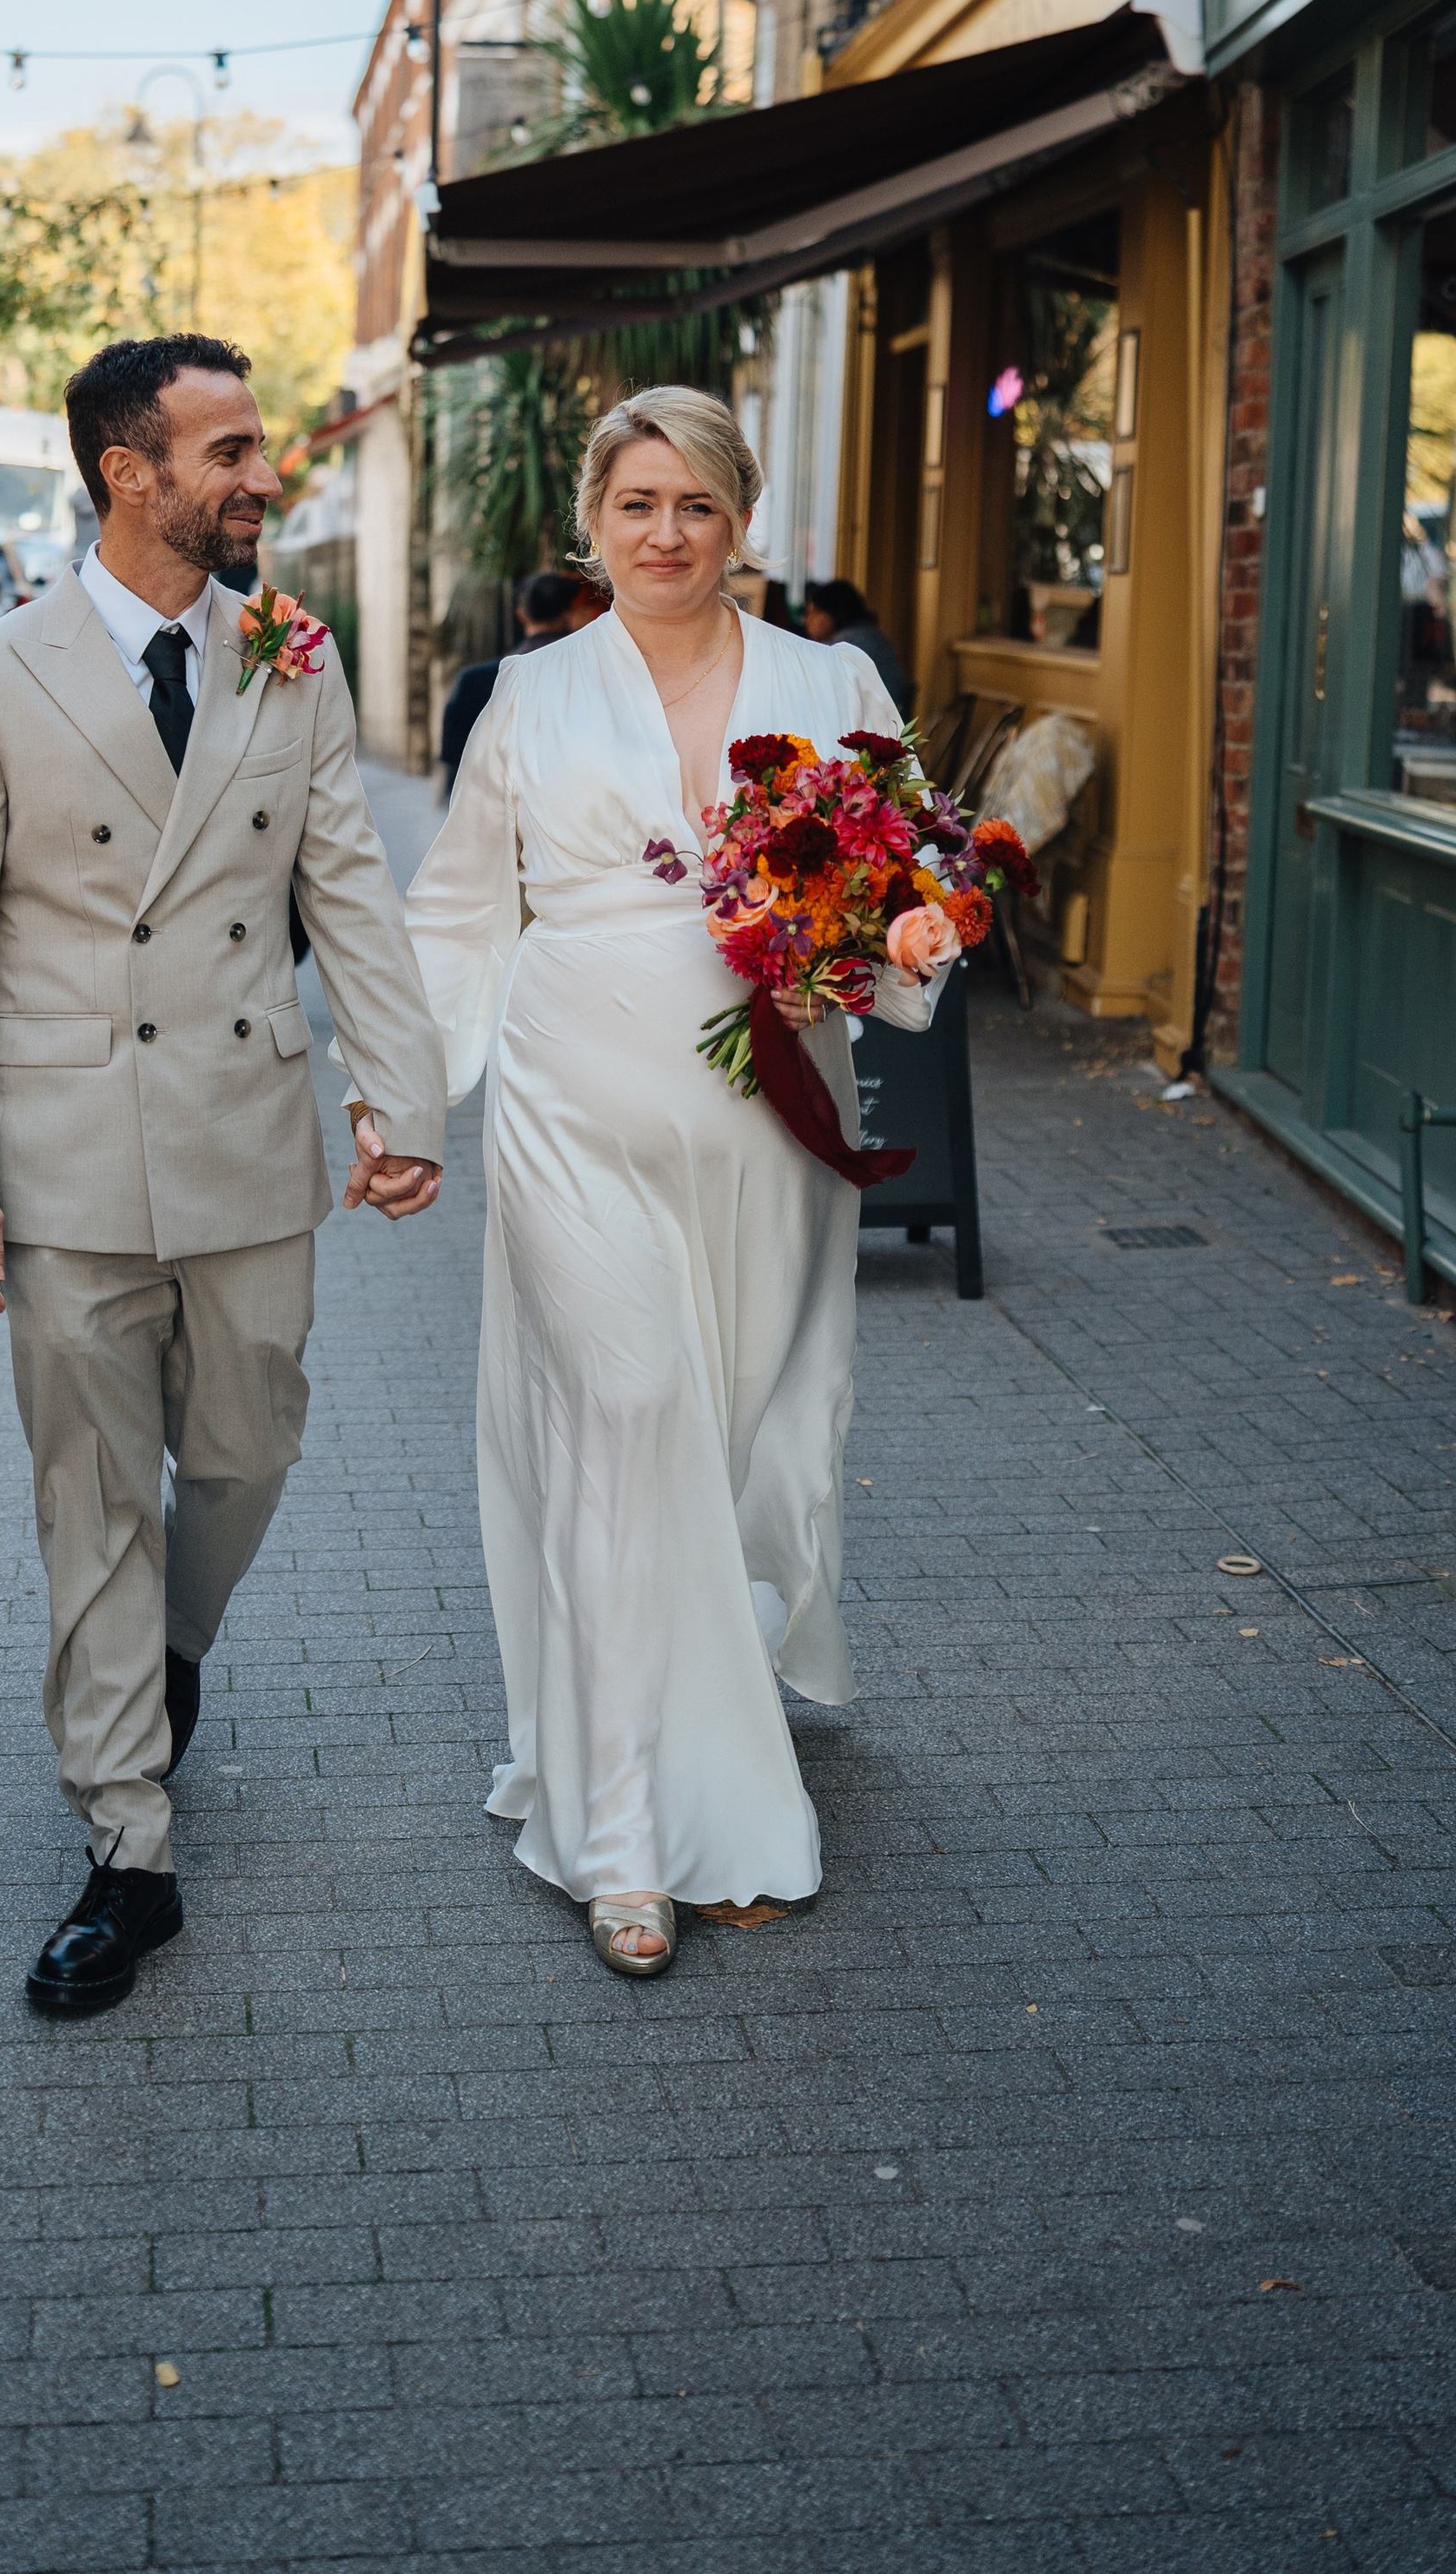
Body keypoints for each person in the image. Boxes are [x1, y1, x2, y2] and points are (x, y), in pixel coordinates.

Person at [0, 334, 447, 2017]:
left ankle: (168, 1660)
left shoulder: (287, 653)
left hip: (247, 1134)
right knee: (94, 1499)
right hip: (62, 1159)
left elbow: (344, 885)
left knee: (248, 1444)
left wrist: (400, 1096)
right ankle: (125, 1846)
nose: (258, 474)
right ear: (129, 473)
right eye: (227, 450)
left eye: (255, 447)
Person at [403, 388, 950, 1978]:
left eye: (695, 505)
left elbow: (913, 888)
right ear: (596, 518)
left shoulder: (829, 680)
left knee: (715, 1448)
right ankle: (627, 1833)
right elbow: (456, 912)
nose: (664, 534)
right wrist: (406, 1101)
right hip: (573, 1112)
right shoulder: (530, 692)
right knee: (628, 1417)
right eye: (637, 503)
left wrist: (899, 940)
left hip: (771, 1124)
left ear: (739, 517)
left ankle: (677, 1737)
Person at [440, 572, 580, 790]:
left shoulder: (476, 680)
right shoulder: (586, 673)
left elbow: (454, 754)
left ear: (521, 614)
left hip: (496, 798)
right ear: (570, 612)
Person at [801, 575, 913, 718]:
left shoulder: (850, 642)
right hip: (887, 721)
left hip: (880, 726)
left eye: (813, 612)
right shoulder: (865, 633)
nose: (807, 620)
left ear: (832, 613)